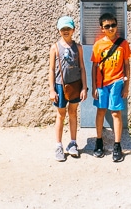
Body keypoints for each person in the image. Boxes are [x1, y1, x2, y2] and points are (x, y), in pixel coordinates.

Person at [91, 12, 131, 162]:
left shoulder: (123, 44)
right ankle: (99, 141)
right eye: (107, 26)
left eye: (113, 25)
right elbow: (94, 67)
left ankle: (117, 145)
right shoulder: (98, 45)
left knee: (116, 113)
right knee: (101, 111)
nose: (111, 28)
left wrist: (127, 85)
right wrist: (94, 86)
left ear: (116, 26)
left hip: (117, 82)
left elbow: (127, 65)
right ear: (102, 28)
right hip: (102, 84)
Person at [49, 15, 88, 162]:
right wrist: (52, 89)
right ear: (59, 30)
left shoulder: (78, 48)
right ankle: (58, 145)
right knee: (61, 115)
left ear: (73, 30)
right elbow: (51, 70)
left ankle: (73, 143)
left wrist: (84, 87)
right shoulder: (55, 48)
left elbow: (82, 68)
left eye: (68, 28)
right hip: (60, 86)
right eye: (63, 29)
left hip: (75, 85)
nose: (65, 31)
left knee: (73, 113)